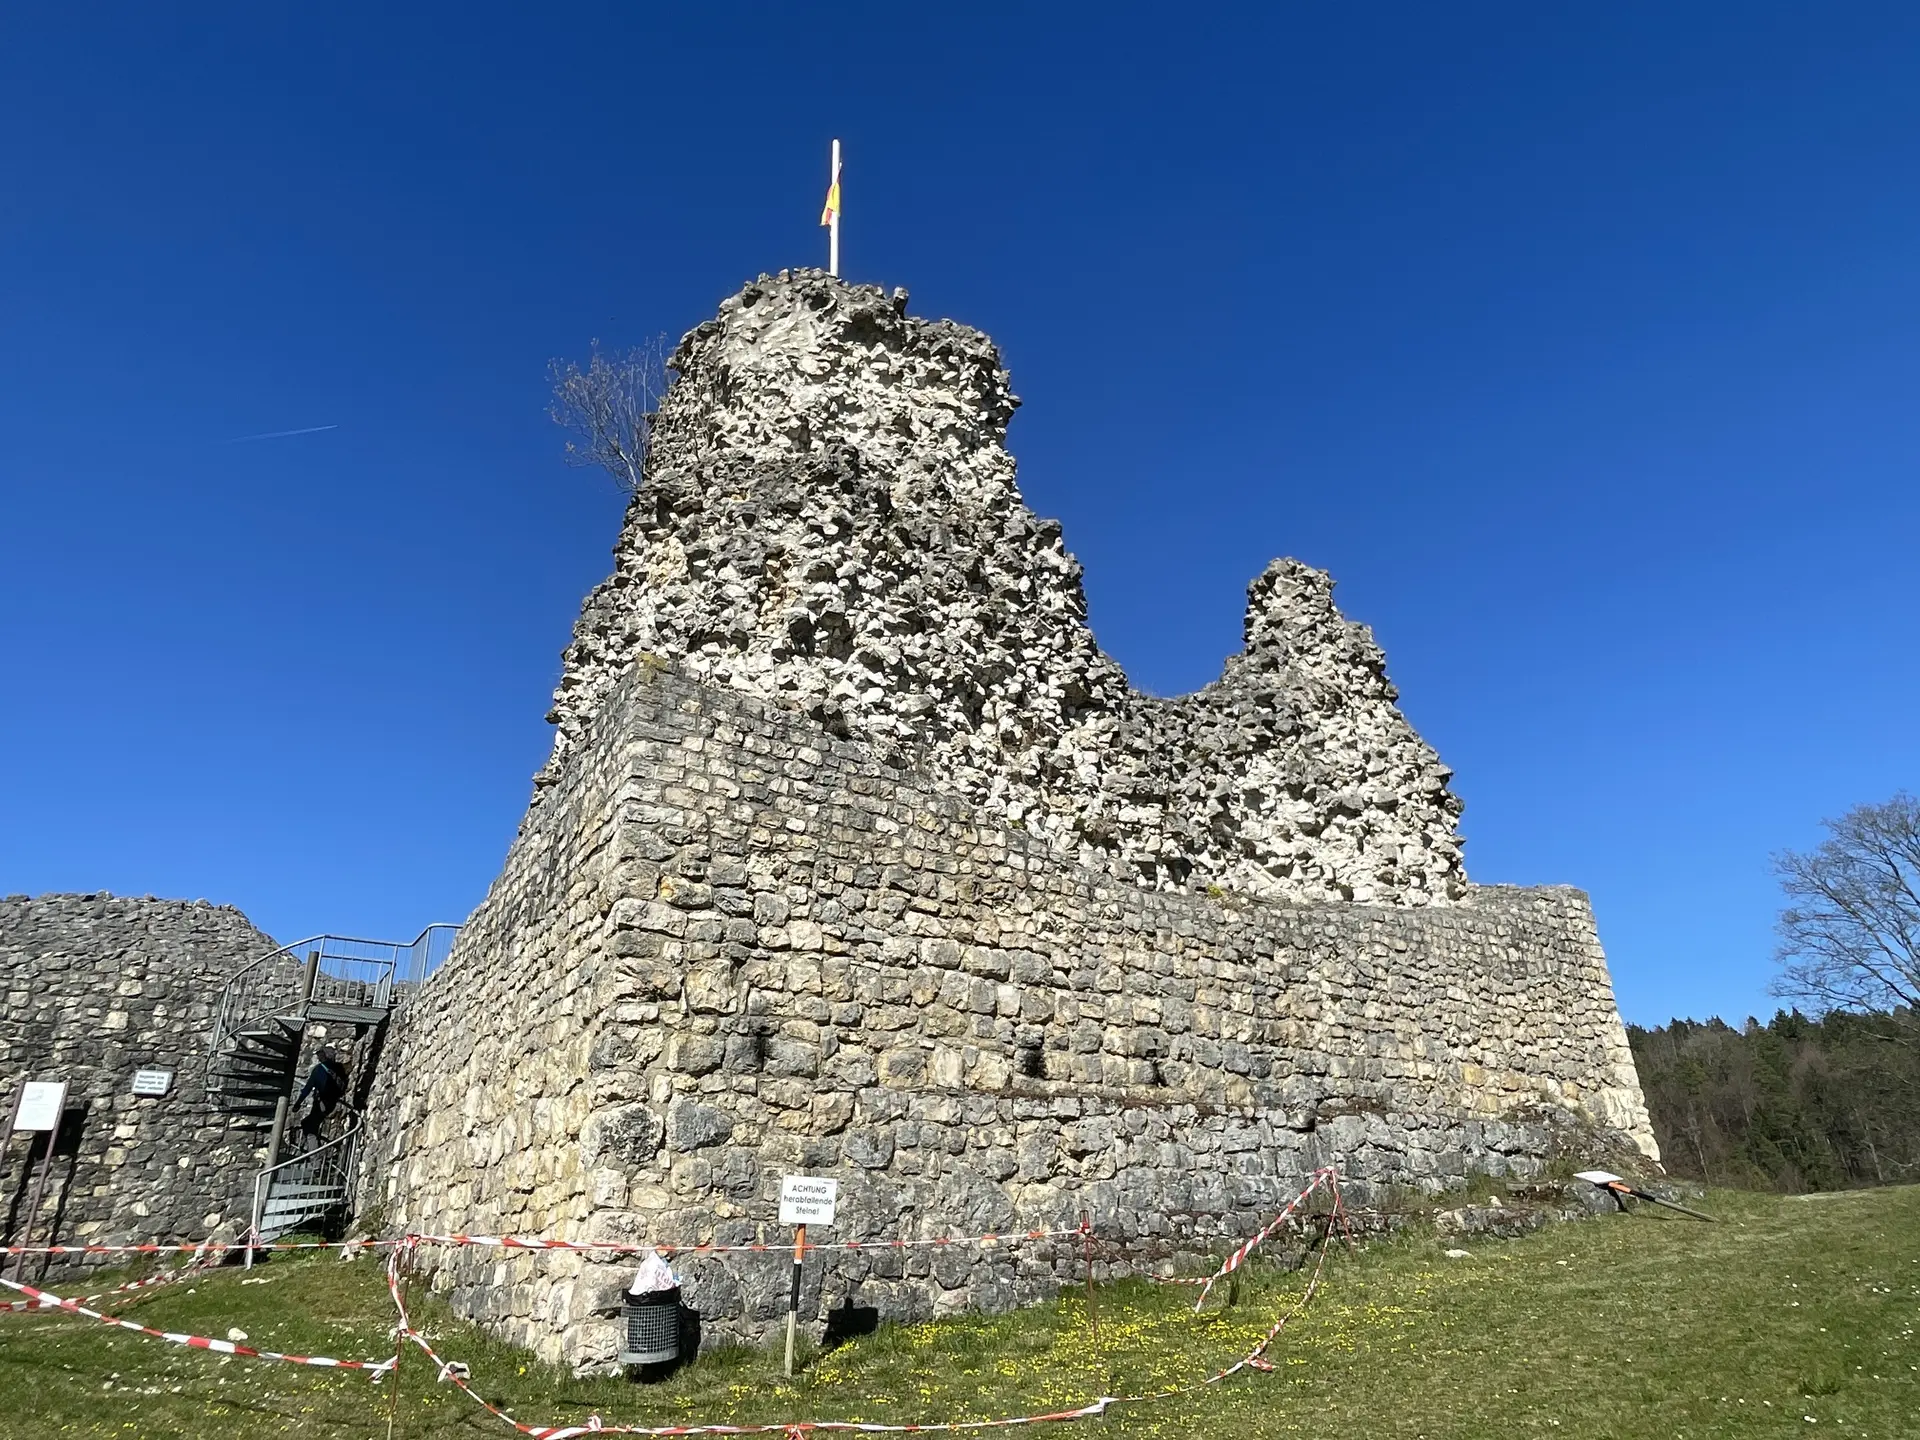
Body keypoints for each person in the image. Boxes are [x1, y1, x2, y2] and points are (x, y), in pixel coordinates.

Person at [293, 1048, 349, 1150]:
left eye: (319, 1055)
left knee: (309, 1128)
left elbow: (307, 1089)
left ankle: (315, 1159)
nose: (318, 1058)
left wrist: (297, 1104)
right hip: (332, 1103)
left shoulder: (318, 1070)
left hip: (321, 1103)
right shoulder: (339, 1067)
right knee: (310, 1124)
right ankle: (313, 1152)